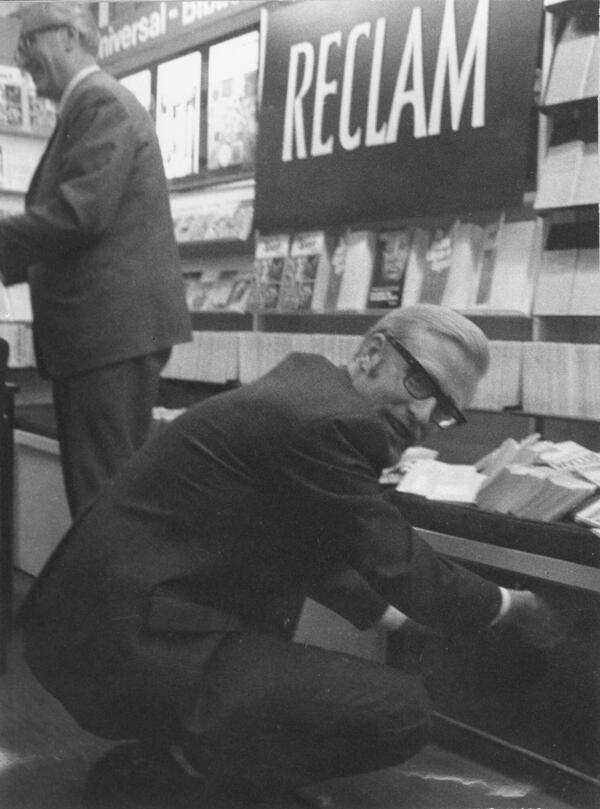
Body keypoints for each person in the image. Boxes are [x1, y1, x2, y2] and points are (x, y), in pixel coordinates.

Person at [21, 305, 565, 807]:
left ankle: (191, 758)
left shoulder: (305, 394)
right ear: (372, 355)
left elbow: (307, 542)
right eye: (420, 382)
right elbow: (402, 565)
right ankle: (193, 780)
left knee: (316, 675)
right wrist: (513, 605)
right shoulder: (326, 422)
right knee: (401, 712)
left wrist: (390, 616)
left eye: (445, 409)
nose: (424, 412)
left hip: (97, 625)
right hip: (120, 644)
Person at [0, 3, 191, 516]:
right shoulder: (91, 106)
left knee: (104, 503)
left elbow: (79, 213)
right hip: (101, 340)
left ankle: (109, 598)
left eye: (27, 43)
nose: (21, 59)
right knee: (104, 496)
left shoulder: (101, 103)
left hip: (106, 339)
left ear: (67, 35)